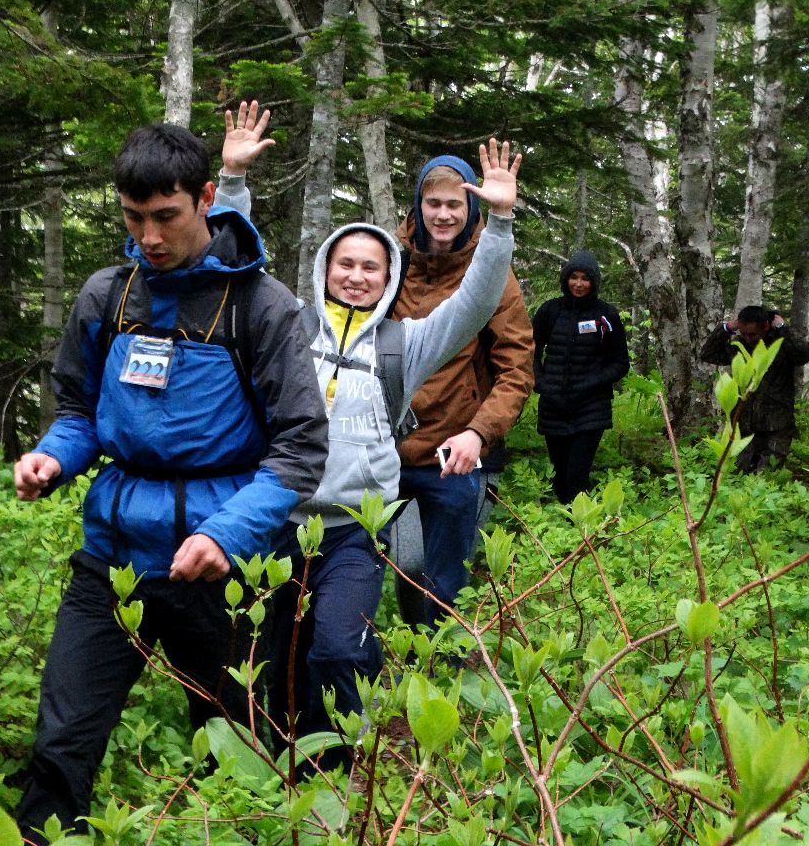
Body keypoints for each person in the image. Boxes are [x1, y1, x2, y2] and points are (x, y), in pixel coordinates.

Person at [12, 117, 328, 839]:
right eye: (133, 218)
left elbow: (302, 446)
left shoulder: (262, 306)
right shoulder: (107, 296)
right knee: (63, 742)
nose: (149, 236)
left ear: (207, 198)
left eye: (166, 217)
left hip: (219, 566)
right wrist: (53, 458)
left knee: (240, 750)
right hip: (112, 558)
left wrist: (227, 535)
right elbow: (80, 412)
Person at [215, 103, 519, 769]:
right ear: (326, 268)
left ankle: (342, 768)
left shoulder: (404, 344)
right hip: (274, 522)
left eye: (370, 268)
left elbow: (474, 304)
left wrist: (497, 223)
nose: (355, 275)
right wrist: (232, 180)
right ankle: (269, 769)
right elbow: (234, 267)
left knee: (337, 647)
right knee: (264, 658)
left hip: (353, 529)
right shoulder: (288, 326)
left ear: (388, 280)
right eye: (344, 264)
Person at [390, 155, 534, 626]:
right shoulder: (390, 263)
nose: (444, 214)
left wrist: (478, 432)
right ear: (419, 203)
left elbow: (516, 369)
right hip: (383, 451)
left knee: (442, 581)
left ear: (471, 207)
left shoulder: (491, 274)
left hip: (452, 454)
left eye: (456, 203)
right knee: (367, 568)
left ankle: (439, 671)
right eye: (434, 203)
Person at [532, 251, 630, 503]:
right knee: (560, 472)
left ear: (593, 282)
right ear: (565, 279)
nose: (578, 284)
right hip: (553, 406)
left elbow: (620, 363)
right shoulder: (550, 311)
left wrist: (589, 385)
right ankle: (561, 532)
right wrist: (541, 383)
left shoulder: (606, 315)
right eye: (573, 277)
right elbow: (528, 351)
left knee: (577, 473)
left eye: (585, 278)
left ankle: (580, 528)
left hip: (590, 409)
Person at [700, 305, 809, 472]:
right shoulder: (738, 346)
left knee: (767, 476)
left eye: (753, 334)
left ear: (766, 326)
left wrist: (783, 328)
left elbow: (804, 353)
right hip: (744, 424)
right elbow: (708, 354)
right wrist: (726, 328)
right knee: (738, 475)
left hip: (776, 425)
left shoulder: (781, 345)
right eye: (744, 333)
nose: (748, 338)